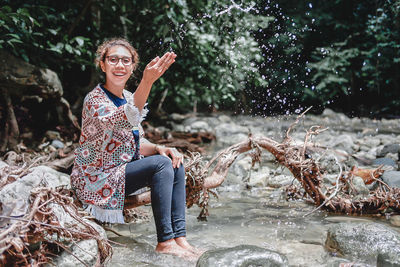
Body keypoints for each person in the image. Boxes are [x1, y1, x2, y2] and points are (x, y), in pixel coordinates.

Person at [70, 38, 201, 258]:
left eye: (125, 60)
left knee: (174, 162)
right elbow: (125, 120)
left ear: (132, 67)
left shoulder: (129, 97)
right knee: (160, 165)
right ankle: (165, 242)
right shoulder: (95, 99)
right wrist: (147, 82)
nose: (119, 65)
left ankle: (180, 238)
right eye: (113, 60)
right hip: (97, 178)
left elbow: (135, 140)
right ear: (103, 65)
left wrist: (161, 147)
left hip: (121, 172)